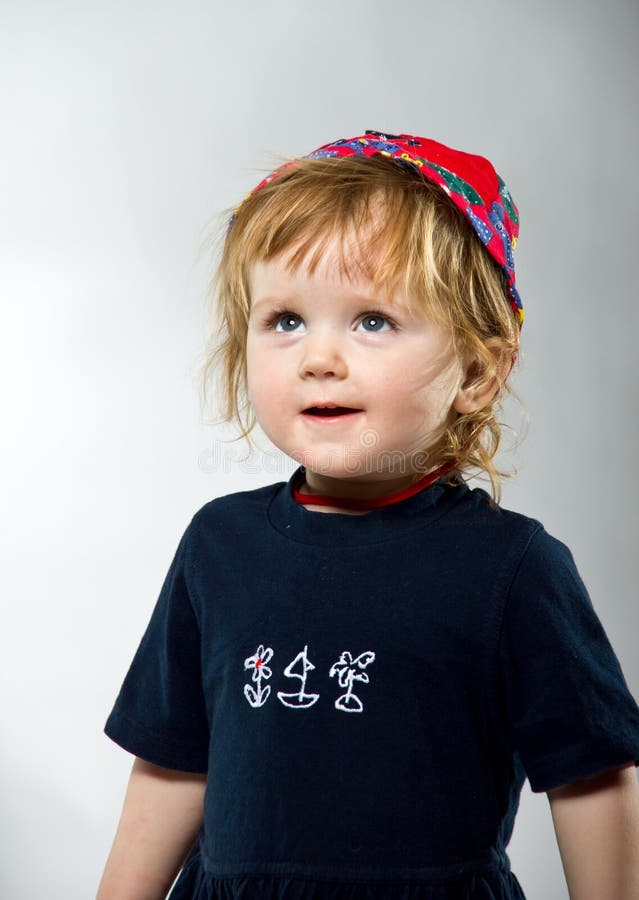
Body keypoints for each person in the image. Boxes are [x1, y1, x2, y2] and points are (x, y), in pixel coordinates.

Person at [97, 130, 639, 900]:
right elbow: (174, 760)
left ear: (477, 371)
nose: (319, 357)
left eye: (372, 321)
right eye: (285, 320)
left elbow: (589, 774)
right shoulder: (220, 545)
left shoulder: (510, 568)